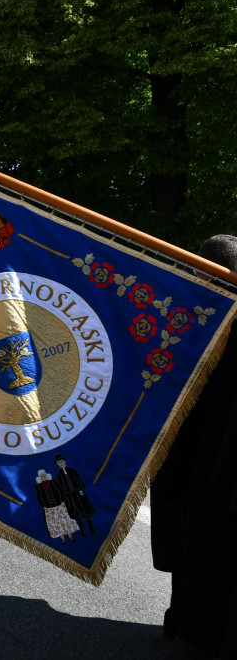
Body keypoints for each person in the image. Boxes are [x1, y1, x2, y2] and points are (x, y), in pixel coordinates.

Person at [151, 234, 237, 656]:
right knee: (195, 545)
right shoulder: (195, 313)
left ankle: (184, 624)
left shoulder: (205, 315)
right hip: (197, 459)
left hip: (203, 459)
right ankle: (182, 621)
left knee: (197, 546)